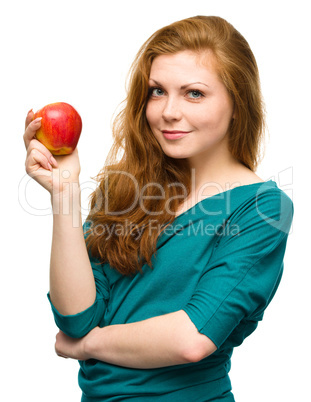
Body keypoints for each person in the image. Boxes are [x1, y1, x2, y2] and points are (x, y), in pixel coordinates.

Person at [24, 15, 294, 402]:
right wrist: (64, 195)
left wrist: (88, 347)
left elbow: (193, 338)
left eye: (194, 93)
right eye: (157, 91)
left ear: (238, 103)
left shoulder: (263, 208)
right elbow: (76, 317)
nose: (168, 111)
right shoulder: (123, 189)